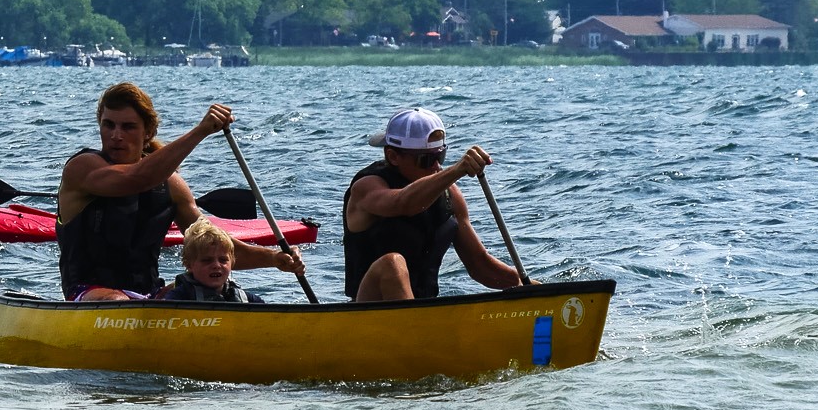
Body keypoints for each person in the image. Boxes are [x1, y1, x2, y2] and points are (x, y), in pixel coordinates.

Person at [56, 82, 303, 301]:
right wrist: (200, 131)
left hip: (150, 294)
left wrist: (273, 258)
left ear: (148, 133)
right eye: (108, 125)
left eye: (128, 127)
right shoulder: (82, 168)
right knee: (119, 303)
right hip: (88, 292)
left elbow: (213, 246)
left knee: (220, 289)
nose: (116, 136)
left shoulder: (171, 185)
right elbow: (137, 178)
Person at [343, 108, 520, 300]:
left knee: (516, 280)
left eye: (440, 157)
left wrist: (532, 288)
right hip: (368, 310)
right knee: (392, 263)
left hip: (423, 309)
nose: (436, 166)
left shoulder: (449, 194)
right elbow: (403, 203)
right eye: (426, 159)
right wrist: (456, 170)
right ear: (393, 156)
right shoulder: (367, 187)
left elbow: (480, 265)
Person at [163, 218, 261, 303]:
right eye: (207, 260)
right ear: (189, 265)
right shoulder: (176, 298)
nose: (216, 265)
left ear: (232, 262)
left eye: (223, 260)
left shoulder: (248, 299)